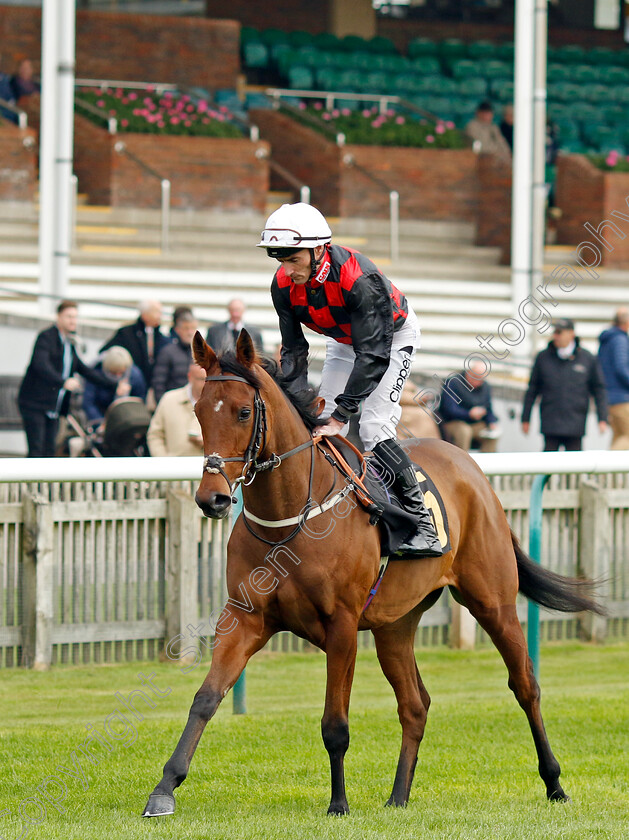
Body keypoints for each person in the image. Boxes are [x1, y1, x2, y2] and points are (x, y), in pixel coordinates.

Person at [257, 202, 442, 558]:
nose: (286, 270)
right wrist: (298, 403)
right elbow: (294, 349)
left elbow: (373, 355)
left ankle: (424, 525)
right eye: (280, 260)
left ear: (318, 249)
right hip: (342, 339)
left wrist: (343, 414)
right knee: (319, 422)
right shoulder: (282, 284)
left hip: (391, 337)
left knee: (372, 427)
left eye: (292, 259)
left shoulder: (360, 279)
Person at [17, 300, 110, 457]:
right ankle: (31, 481)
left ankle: (44, 482)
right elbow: (41, 365)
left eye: (75, 317)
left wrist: (113, 384)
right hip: (35, 404)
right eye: (69, 316)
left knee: (50, 449)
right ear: (58, 317)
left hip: (54, 406)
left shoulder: (69, 344)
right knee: (37, 448)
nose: (73, 321)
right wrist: (63, 382)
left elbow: (85, 370)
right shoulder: (46, 338)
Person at [521, 318, 608, 451]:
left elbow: (599, 390)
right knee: (547, 464)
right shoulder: (543, 357)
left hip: (575, 424)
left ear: (571, 334)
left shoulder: (587, 358)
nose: (556, 336)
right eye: (555, 332)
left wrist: (602, 418)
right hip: (550, 422)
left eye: (559, 332)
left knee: (574, 467)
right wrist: (525, 418)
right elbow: (532, 390)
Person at [100, 300, 169, 388]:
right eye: (157, 312)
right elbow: (106, 352)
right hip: (131, 384)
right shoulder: (126, 333)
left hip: (154, 385)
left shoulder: (162, 337)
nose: (160, 316)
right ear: (145, 315)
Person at [439, 361, 499, 453]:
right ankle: (462, 463)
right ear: (469, 373)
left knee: (492, 435)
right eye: (476, 378)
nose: (478, 382)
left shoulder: (485, 386)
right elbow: (449, 409)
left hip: (475, 424)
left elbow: (488, 408)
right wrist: (469, 414)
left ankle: (485, 465)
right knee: (464, 431)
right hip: (453, 423)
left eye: (481, 379)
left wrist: (491, 422)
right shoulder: (453, 383)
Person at [147, 363, 206, 457]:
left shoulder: (221, 404)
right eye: (201, 379)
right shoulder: (169, 400)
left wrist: (208, 443)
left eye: (208, 379)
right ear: (190, 377)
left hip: (208, 468)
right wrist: (164, 461)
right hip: (172, 468)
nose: (205, 384)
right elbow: (155, 435)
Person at [82, 345, 147, 430]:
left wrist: (124, 399)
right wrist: (99, 423)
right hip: (100, 416)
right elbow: (88, 402)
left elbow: (140, 401)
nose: (118, 376)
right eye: (114, 372)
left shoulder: (134, 375)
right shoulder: (96, 373)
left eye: (121, 372)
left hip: (125, 419)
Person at [598, 307, 629, 450]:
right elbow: (621, 368)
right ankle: (604, 469)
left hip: (609, 396)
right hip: (621, 398)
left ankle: (607, 472)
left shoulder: (607, 339)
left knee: (619, 436)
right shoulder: (620, 340)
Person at [151, 309, 198, 403]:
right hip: (174, 403)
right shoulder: (167, 352)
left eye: (192, 328)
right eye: (186, 328)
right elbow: (158, 383)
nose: (189, 332)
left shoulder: (202, 353)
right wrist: (163, 404)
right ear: (177, 330)